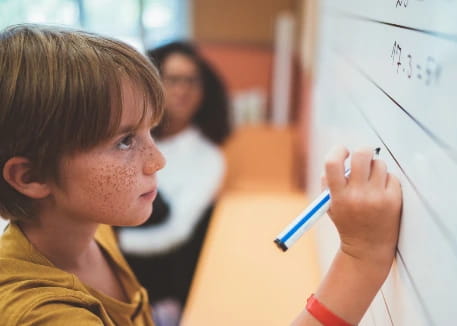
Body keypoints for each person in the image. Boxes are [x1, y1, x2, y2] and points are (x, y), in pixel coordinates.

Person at [0, 24, 402, 326]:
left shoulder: (92, 230)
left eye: (149, 132)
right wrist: (360, 259)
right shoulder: (44, 314)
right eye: (124, 141)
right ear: (32, 176)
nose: (157, 160)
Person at [116, 41, 231, 323]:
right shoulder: (123, 136)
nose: (182, 90)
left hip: (156, 273)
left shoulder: (208, 157)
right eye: (173, 80)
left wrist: (108, 245)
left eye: (192, 81)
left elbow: (177, 232)